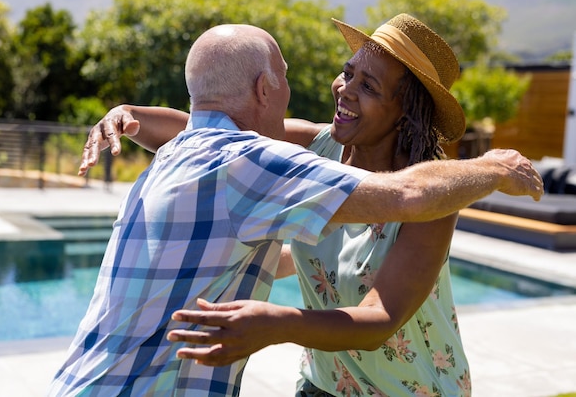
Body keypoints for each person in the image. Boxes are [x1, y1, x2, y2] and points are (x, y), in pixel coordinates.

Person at [57, 21, 542, 396]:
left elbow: (380, 320)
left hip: (408, 387)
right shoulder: (318, 147)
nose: (345, 89)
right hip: (323, 384)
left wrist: (277, 323)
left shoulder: (436, 193)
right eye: (348, 73)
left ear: (405, 111)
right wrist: (131, 117)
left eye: (369, 87)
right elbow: (213, 129)